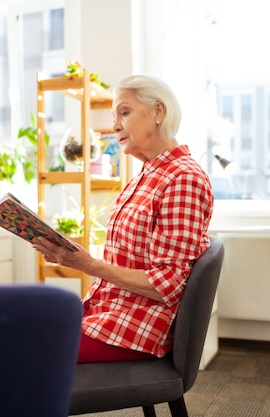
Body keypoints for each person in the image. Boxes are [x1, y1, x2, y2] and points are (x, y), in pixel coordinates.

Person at [33, 74, 214, 363]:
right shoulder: (145, 175)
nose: (115, 125)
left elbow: (166, 284)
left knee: (24, 352)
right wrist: (72, 255)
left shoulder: (183, 179)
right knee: (19, 328)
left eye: (125, 112)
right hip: (109, 310)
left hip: (136, 326)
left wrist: (88, 265)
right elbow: (129, 261)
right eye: (114, 115)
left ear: (158, 111)